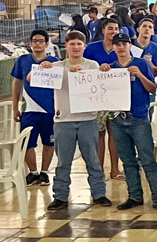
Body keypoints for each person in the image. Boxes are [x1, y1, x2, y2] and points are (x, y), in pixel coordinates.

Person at [102, 33, 157, 212]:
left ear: (129, 46)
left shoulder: (141, 64)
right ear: (114, 47)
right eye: (118, 44)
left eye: (124, 44)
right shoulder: (110, 68)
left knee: (147, 159)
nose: (121, 47)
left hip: (139, 118)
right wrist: (101, 73)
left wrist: (140, 75)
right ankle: (134, 196)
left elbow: (152, 89)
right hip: (118, 119)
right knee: (127, 160)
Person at [42, 31, 110, 210]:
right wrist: (44, 67)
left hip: (87, 119)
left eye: (79, 44)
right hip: (64, 120)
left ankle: (99, 193)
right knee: (64, 161)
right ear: (66, 46)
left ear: (84, 46)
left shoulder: (92, 65)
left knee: (93, 159)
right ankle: (61, 196)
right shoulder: (56, 67)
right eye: (72, 44)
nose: (76, 47)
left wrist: (102, 71)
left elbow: (102, 85)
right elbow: (30, 78)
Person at [11, 30, 59, 186]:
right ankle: (33, 172)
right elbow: (17, 83)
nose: (37, 44)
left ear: (46, 43)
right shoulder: (23, 60)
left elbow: (61, 86)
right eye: (34, 41)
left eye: (41, 41)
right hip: (29, 110)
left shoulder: (55, 62)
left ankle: (44, 172)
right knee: (27, 143)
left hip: (49, 110)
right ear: (30, 43)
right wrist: (15, 106)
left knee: (49, 142)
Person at [85, 18, 123, 181]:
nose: (113, 31)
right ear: (103, 30)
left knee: (114, 133)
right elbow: (84, 67)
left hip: (115, 97)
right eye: (110, 28)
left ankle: (115, 169)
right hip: (97, 97)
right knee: (99, 134)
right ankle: (98, 170)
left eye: (116, 29)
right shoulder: (92, 48)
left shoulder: (122, 48)